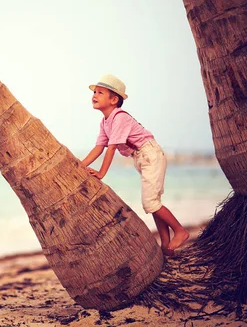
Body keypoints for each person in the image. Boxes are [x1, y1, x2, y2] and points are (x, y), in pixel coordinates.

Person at [80, 74, 189, 256]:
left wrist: (101, 173)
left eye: (100, 92)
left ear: (114, 99)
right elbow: (99, 147)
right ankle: (166, 245)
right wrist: (79, 166)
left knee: (150, 203)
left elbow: (112, 148)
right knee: (154, 202)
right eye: (94, 92)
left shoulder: (119, 117)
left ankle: (180, 230)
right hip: (142, 158)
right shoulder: (105, 121)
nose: (95, 95)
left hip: (150, 155)